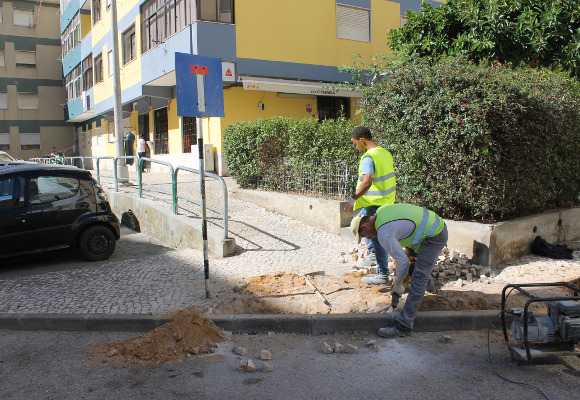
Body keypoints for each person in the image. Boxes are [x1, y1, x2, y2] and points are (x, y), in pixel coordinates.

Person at [350, 203, 448, 338]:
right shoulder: (381, 211)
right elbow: (405, 224)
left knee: (419, 276)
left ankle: (404, 326)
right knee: (416, 268)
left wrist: (398, 283)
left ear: (364, 227)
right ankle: (432, 290)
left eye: (364, 235)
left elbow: (402, 262)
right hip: (430, 227)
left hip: (433, 235)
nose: (368, 238)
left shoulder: (383, 234)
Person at [344, 126, 396, 285]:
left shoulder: (368, 157)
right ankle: (374, 255)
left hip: (374, 203)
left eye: (355, 143)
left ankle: (382, 275)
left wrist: (352, 199)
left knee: (375, 237)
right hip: (386, 201)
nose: (356, 147)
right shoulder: (385, 153)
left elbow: (367, 181)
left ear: (362, 140)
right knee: (371, 233)